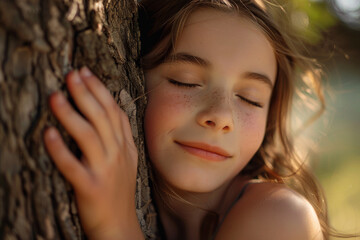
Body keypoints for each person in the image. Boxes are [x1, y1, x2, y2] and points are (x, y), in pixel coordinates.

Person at [43, 0, 345, 239]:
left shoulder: (281, 217)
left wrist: (114, 225)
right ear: (133, 80)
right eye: (186, 81)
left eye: (250, 98)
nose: (221, 117)